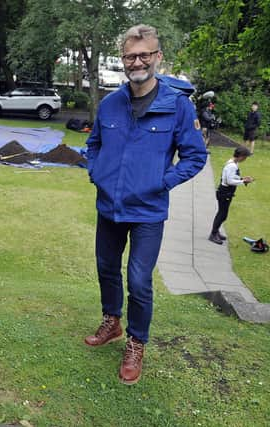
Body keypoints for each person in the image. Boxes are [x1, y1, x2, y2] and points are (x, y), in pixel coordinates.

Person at [84, 25, 207, 385]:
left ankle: (136, 342)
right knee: (107, 268)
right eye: (129, 56)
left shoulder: (177, 107)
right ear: (123, 59)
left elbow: (195, 156)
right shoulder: (110, 103)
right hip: (109, 207)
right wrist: (97, 173)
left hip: (148, 213)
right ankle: (112, 322)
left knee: (138, 280)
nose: (136, 62)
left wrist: (160, 183)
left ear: (157, 57)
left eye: (144, 55)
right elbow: (93, 144)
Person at [209, 146, 254, 244]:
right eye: (245, 157)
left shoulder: (233, 162)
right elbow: (229, 181)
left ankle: (216, 232)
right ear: (241, 156)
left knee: (223, 214)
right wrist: (243, 181)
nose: (245, 159)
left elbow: (231, 177)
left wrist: (241, 178)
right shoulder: (232, 166)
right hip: (225, 192)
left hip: (226, 192)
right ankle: (213, 234)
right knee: (222, 214)